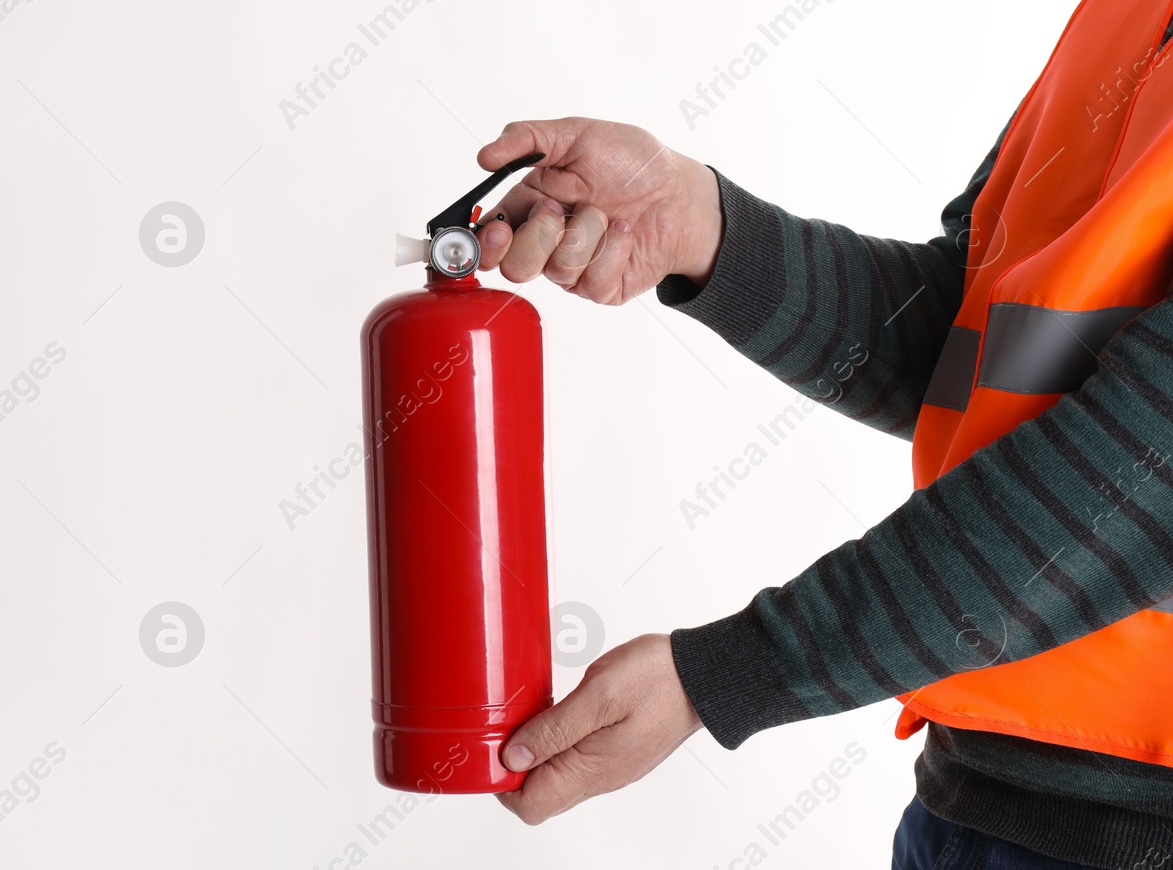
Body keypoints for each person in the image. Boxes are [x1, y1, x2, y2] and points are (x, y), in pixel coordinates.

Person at [476, 1, 1173, 867]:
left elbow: (1142, 474)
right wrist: (702, 228)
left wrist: (726, 676)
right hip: (971, 803)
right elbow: (972, 342)